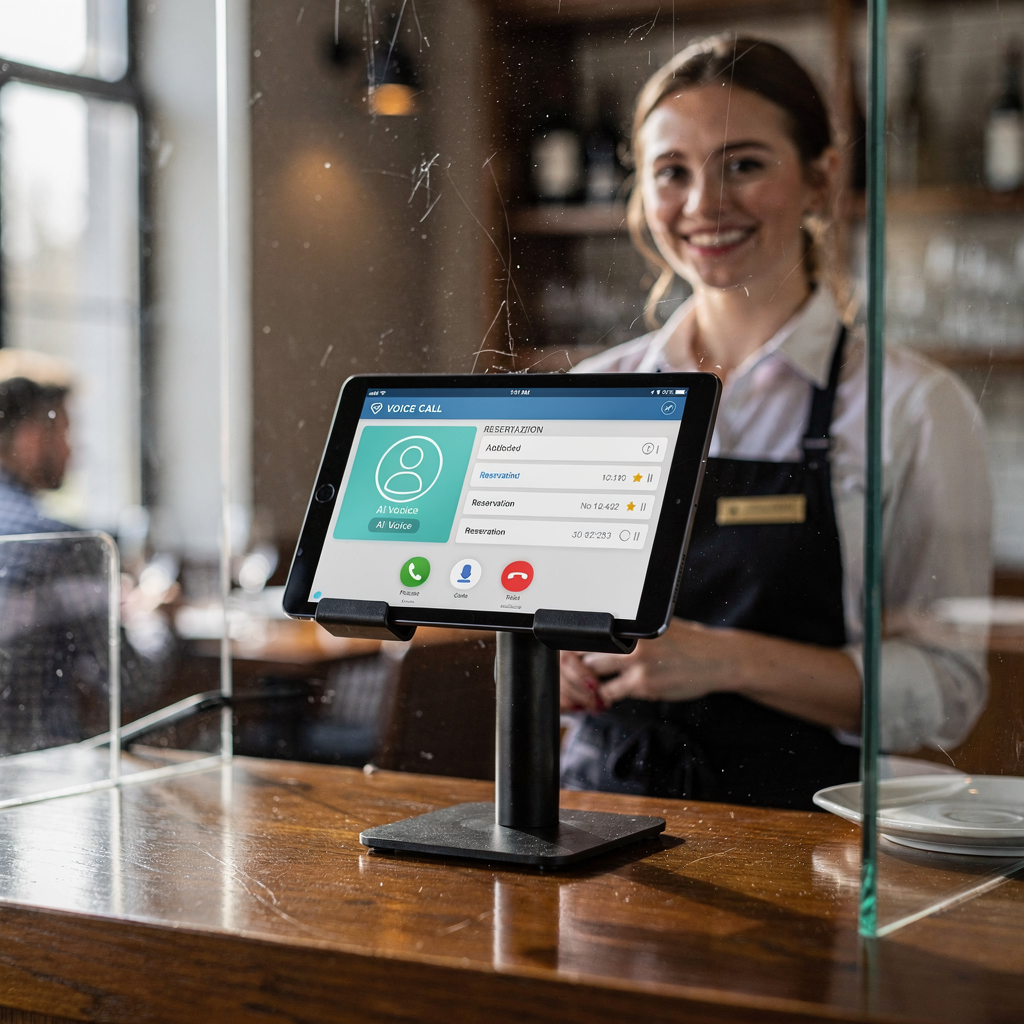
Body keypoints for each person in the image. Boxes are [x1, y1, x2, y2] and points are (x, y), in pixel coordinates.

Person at [560, 36, 992, 810]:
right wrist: (544, 660)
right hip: (596, 828)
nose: (702, 205)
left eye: (744, 164)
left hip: (803, 842)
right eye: (672, 173)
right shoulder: (595, 393)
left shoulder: (913, 407)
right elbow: (536, 618)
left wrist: (725, 659)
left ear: (822, 176)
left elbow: (950, 690)